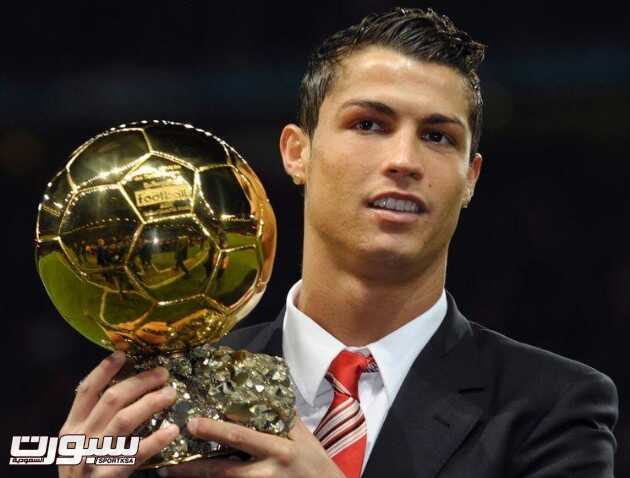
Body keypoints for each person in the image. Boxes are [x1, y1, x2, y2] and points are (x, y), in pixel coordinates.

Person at [58, 7, 618, 478]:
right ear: (297, 152)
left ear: (470, 178)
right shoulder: (165, 399)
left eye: (437, 136)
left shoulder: (553, 408)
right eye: (369, 124)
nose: (403, 160)